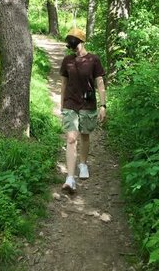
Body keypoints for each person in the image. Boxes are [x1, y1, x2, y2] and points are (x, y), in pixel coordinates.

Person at [59, 27, 106, 192]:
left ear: (82, 42)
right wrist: (61, 105)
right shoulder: (67, 61)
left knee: (85, 135)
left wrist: (103, 105)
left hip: (88, 103)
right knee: (71, 138)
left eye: (75, 43)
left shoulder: (94, 60)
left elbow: (100, 83)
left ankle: (83, 163)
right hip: (70, 103)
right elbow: (64, 84)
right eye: (71, 44)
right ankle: (70, 178)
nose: (73, 48)